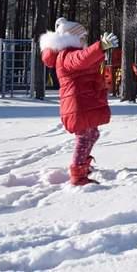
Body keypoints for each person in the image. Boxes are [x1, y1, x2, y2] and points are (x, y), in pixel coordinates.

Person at [40, 18, 119, 185]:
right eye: (82, 37)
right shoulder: (67, 55)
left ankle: (83, 165)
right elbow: (82, 58)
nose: (84, 40)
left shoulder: (68, 54)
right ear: (72, 38)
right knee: (84, 136)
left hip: (83, 101)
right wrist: (100, 46)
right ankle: (78, 174)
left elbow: (86, 62)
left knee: (92, 133)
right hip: (78, 103)